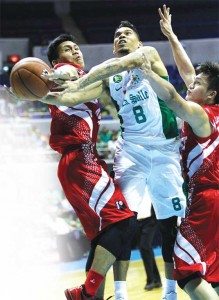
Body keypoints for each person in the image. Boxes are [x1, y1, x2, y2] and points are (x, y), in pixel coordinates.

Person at [47, 20, 187, 300]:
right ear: (113, 46)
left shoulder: (147, 55)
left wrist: (77, 78)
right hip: (131, 151)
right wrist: (42, 93)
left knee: (169, 224)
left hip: (165, 150)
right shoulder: (109, 78)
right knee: (123, 222)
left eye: (127, 34)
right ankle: (120, 293)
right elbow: (77, 93)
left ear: (138, 42)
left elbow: (97, 74)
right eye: (117, 35)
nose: (122, 37)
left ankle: (170, 292)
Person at [7, 33, 141, 300]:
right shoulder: (65, 71)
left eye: (77, 47)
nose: (76, 51)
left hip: (75, 162)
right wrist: (62, 75)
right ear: (56, 60)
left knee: (101, 235)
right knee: (124, 221)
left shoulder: (71, 78)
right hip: (83, 159)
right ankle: (88, 290)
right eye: (69, 49)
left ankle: (91, 297)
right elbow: (67, 75)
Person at [140, 5, 219, 300]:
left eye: (198, 84)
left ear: (210, 94)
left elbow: (173, 97)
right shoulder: (210, 108)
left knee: (185, 271)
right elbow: (188, 72)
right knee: (212, 275)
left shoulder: (200, 115)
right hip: (212, 199)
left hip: (206, 199)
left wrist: (148, 73)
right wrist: (172, 36)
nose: (191, 83)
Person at [136, 188, 162, 291]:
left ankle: (150, 280)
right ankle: (157, 280)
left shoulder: (148, 181)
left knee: (144, 247)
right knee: (146, 249)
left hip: (150, 220)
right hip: (137, 221)